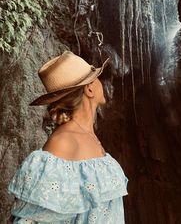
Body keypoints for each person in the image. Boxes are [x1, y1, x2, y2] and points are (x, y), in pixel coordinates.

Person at [7, 50, 129, 224]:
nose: (102, 83)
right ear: (89, 88)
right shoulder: (63, 142)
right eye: (97, 78)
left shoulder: (87, 135)